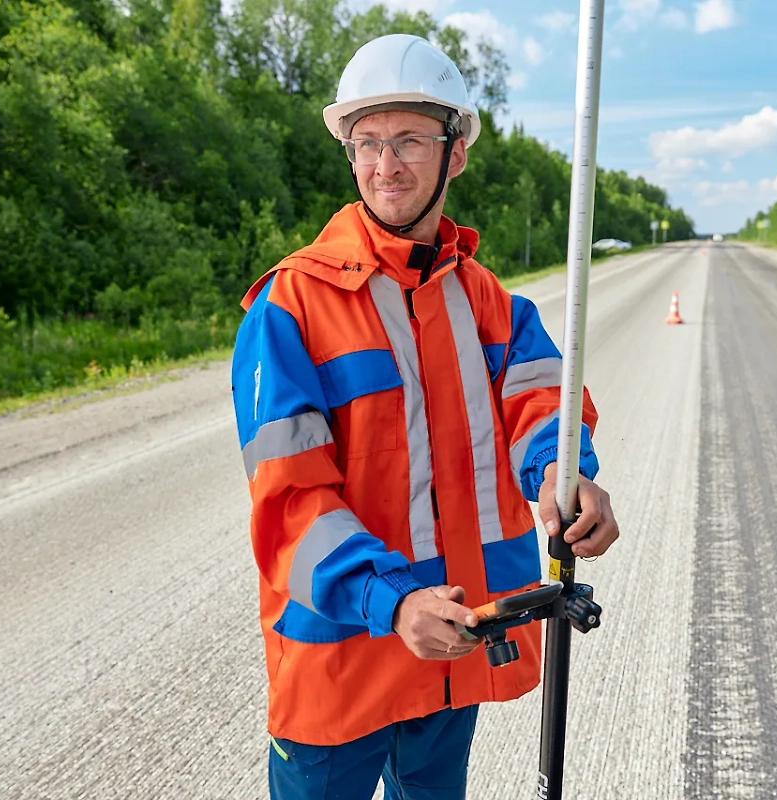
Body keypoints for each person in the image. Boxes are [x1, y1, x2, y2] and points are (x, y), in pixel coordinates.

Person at [229, 33, 620, 800]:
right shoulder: (291, 308)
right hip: (340, 660)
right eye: (366, 142)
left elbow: (542, 405)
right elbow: (290, 502)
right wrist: (391, 599)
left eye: (408, 139)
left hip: (453, 645)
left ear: (457, 152)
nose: (385, 164)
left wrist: (566, 482)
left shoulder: (492, 305)